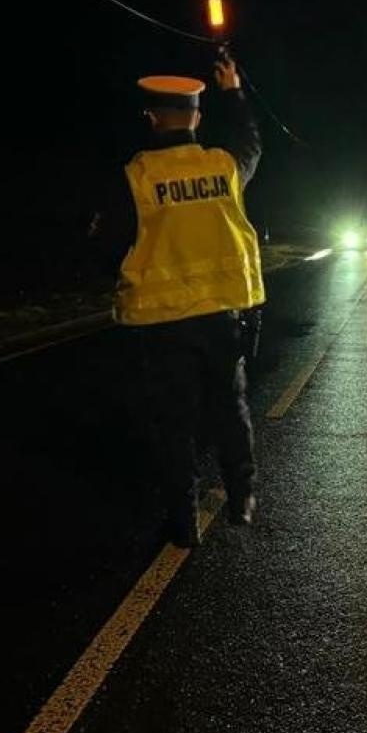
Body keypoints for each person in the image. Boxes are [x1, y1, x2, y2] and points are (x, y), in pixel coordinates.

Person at [90, 53, 265, 547]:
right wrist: (232, 89)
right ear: (197, 117)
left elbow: (107, 246)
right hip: (221, 315)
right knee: (230, 409)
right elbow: (251, 143)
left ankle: (184, 524)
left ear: (150, 117)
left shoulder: (136, 177)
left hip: (163, 322)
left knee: (175, 424)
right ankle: (242, 501)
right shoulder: (223, 166)